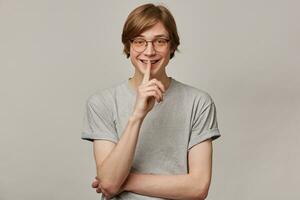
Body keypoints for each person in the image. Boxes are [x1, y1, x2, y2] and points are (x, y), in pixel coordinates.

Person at [81, 3, 221, 200]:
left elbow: (198, 188)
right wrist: (137, 116)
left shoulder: (198, 102)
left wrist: (122, 181)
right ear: (128, 46)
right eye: (139, 41)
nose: (149, 51)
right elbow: (110, 184)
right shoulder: (101, 103)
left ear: (172, 46)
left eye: (160, 41)